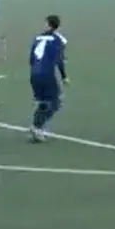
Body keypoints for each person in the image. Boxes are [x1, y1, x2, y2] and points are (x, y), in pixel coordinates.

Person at [28, 14, 68, 142]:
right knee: (56, 101)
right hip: (47, 74)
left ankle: (36, 127)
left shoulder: (37, 38)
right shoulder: (60, 40)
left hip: (34, 74)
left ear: (47, 24)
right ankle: (37, 127)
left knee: (44, 102)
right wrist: (64, 76)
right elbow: (59, 60)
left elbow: (31, 60)